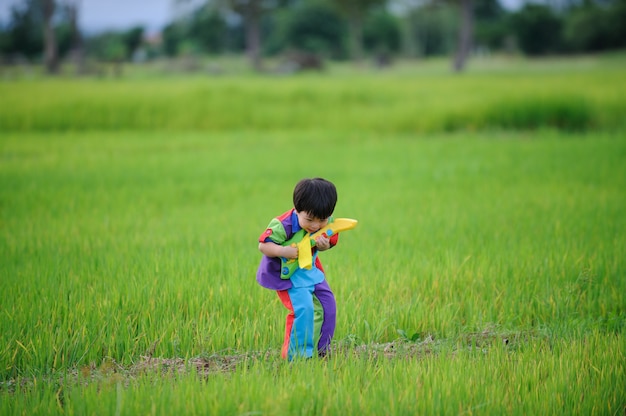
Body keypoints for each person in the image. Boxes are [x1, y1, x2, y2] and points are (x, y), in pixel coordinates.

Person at [256, 177, 342, 360]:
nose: (316, 226)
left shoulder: (325, 220)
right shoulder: (282, 225)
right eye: (310, 219)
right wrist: (283, 251)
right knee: (304, 309)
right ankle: (296, 357)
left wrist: (323, 246)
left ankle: (321, 350)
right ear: (296, 210)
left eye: (322, 220)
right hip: (287, 274)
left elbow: (332, 237)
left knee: (328, 306)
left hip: (310, 271)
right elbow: (263, 246)